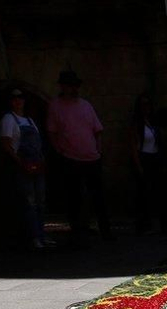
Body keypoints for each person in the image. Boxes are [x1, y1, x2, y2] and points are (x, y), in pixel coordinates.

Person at [46, 70, 110, 244]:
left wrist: (98, 151)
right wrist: (60, 151)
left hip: (92, 157)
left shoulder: (86, 105)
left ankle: (106, 231)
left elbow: (97, 130)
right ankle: (77, 234)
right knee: (73, 198)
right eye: (69, 86)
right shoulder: (55, 106)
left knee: (98, 196)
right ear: (63, 87)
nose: (73, 89)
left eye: (74, 86)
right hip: (70, 158)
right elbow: (52, 132)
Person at [0, 88, 47, 250]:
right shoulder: (8, 119)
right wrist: (19, 161)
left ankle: (42, 235)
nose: (18, 101)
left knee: (40, 200)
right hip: (23, 165)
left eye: (20, 98)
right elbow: (6, 143)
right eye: (14, 98)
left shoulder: (30, 120)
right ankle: (33, 237)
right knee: (29, 202)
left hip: (37, 164)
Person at [128, 94, 167, 234]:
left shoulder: (153, 123)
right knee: (144, 193)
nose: (146, 107)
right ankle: (144, 224)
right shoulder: (136, 124)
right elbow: (134, 145)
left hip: (155, 158)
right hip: (144, 157)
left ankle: (162, 223)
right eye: (143, 104)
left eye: (148, 104)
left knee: (160, 191)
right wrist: (138, 164)